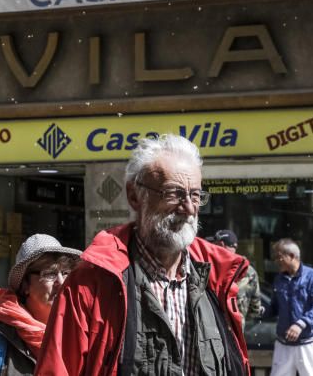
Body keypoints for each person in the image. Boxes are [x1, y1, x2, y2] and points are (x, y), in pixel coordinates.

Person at [36, 133, 250, 376]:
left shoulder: (215, 280)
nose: (189, 208)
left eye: (195, 195)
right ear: (135, 196)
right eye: (173, 193)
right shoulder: (91, 285)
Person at [0, 234, 81, 375]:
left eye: (66, 273)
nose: (61, 282)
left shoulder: (77, 336)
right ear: (25, 285)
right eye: (50, 274)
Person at [266, 238, 313, 376]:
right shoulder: (279, 279)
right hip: (283, 344)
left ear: (292, 256)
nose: (276, 261)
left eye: (279, 257)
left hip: (308, 343)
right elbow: (274, 308)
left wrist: (301, 324)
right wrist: (260, 310)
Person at [213, 228, 263, 329]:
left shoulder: (211, 267)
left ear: (221, 244)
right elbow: (255, 309)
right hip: (236, 332)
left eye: (213, 244)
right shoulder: (249, 271)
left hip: (211, 330)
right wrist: (241, 316)